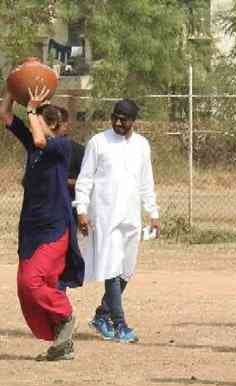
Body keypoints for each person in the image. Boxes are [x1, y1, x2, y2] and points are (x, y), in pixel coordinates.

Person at [1, 85, 84, 361]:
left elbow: (39, 139)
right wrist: (12, 90)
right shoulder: (35, 147)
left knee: (32, 282)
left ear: (57, 127)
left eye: (46, 122)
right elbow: (5, 115)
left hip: (54, 227)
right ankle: (62, 342)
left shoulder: (60, 147)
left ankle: (65, 314)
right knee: (26, 290)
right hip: (31, 228)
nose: (41, 125)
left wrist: (32, 109)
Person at [75, 99, 160, 344]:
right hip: (104, 216)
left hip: (130, 217)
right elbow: (85, 179)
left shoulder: (142, 145)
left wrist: (153, 213)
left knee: (125, 271)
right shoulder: (98, 142)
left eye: (124, 119)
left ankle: (102, 315)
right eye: (115, 118)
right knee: (111, 269)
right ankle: (119, 324)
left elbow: (146, 183)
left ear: (134, 121)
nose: (118, 123)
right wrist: (81, 209)